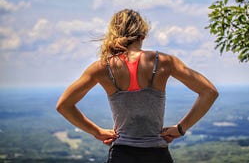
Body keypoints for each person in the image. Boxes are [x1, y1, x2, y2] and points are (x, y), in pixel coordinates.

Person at [56, 9, 219, 163]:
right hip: (157, 154)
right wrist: (181, 128)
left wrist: (96, 132)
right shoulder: (163, 62)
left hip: (121, 154)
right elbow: (209, 92)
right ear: (143, 35)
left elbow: (64, 105)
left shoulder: (102, 67)